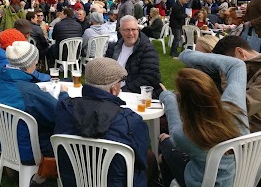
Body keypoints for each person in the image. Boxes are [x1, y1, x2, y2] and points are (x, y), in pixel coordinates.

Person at [158, 50, 249, 187]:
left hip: (201, 183)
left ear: (183, 104)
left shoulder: (184, 135)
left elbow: (174, 122)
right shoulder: (234, 105)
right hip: (243, 179)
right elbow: (237, 65)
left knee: (165, 143)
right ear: (212, 90)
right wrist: (188, 55)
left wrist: (166, 96)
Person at [55, 58, 150, 187]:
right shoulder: (130, 121)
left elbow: (64, 102)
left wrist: (64, 94)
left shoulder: (64, 109)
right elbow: (141, 161)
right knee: (151, 160)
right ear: (113, 89)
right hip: (118, 183)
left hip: (73, 181)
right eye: (120, 82)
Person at [0, 41, 58, 181]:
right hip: (29, 149)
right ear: (32, 63)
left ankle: (15, 170)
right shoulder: (28, 92)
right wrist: (63, 95)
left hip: (5, 142)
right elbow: (58, 114)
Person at [212, 35, 261, 132]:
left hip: (251, 136)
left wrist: (226, 73)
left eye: (228, 63)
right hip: (238, 126)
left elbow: (241, 106)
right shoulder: (250, 66)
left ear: (240, 52)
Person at [106, 15, 162, 97]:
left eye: (133, 29)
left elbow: (149, 77)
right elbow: (106, 71)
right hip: (113, 92)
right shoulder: (113, 47)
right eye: (126, 30)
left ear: (138, 30)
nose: (130, 33)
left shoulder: (147, 49)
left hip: (137, 95)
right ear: (120, 31)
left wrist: (122, 91)